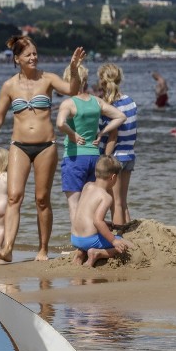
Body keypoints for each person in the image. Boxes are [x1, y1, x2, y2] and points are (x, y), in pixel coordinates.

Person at [0, 37, 86, 262]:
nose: (33, 58)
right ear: (17, 58)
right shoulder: (9, 85)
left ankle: (43, 249)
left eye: (35, 54)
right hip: (18, 145)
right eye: (28, 55)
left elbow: (71, 89)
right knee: (13, 197)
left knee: (41, 199)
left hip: (46, 146)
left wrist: (74, 68)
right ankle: (8, 248)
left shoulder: (47, 79)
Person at [56, 63, 126, 228]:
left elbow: (60, 123)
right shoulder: (96, 101)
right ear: (85, 81)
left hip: (74, 158)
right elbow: (120, 116)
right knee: (90, 204)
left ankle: (78, 244)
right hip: (94, 158)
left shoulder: (68, 103)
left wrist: (72, 135)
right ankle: (92, 238)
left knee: (74, 205)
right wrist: (102, 133)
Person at [71, 155, 134, 267]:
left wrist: (105, 224)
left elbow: (87, 214)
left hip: (75, 238)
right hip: (89, 240)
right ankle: (97, 253)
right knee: (128, 245)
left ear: (96, 173)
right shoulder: (106, 197)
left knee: (99, 234)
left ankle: (81, 252)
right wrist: (114, 241)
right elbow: (97, 221)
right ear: (113, 177)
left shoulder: (87, 186)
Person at [97, 63, 138, 228]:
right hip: (129, 153)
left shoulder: (108, 105)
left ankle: (118, 238)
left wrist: (105, 159)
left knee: (115, 203)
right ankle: (131, 235)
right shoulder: (130, 101)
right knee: (122, 201)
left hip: (116, 156)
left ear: (102, 81)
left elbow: (113, 136)